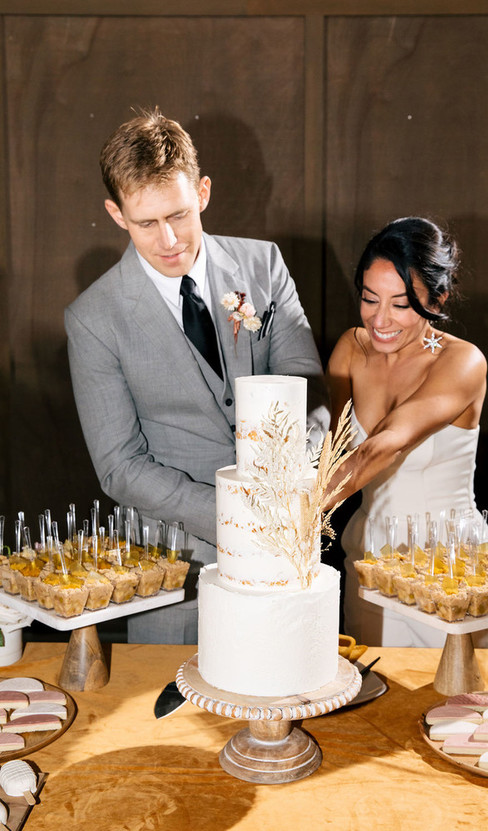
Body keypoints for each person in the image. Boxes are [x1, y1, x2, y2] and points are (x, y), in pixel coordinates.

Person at [65, 109, 329, 644]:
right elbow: (120, 466)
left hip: (287, 556)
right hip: (175, 572)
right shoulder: (92, 319)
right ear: (117, 214)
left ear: (203, 192)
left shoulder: (265, 266)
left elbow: (309, 390)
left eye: (180, 215)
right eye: (146, 223)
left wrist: (287, 499)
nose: (169, 240)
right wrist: (238, 519)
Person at [326, 216, 488, 647]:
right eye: (370, 299)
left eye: (401, 305)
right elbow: (332, 453)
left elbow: (384, 446)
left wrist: (297, 515)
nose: (380, 320)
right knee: (371, 700)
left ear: (437, 298)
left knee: (454, 708)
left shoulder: (462, 361)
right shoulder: (351, 348)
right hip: (368, 552)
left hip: (447, 560)